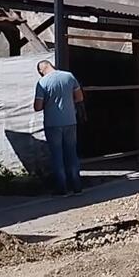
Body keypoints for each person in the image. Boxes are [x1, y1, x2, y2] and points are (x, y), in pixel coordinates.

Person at [33, 60, 84, 196]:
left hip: (52, 123)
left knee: (57, 155)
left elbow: (37, 106)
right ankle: (77, 186)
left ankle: (62, 188)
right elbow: (79, 97)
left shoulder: (42, 82)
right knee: (71, 153)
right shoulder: (69, 76)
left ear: (41, 70)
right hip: (70, 121)